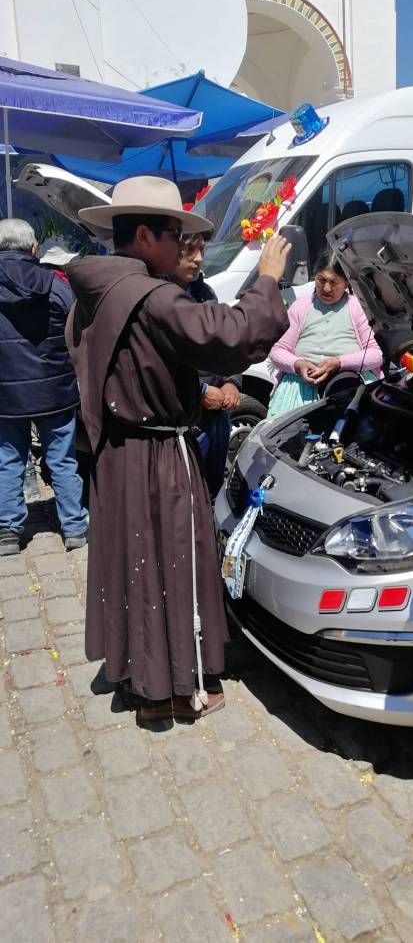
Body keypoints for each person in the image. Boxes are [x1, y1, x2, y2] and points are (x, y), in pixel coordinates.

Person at [65, 176, 290, 724]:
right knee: (170, 561)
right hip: (156, 455)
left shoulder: (96, 290)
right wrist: (266, 279)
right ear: (145, 235)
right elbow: (229, 334)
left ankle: (136, 673)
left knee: (133, 563)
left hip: (118, 453)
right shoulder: (151, 295)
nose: (183, 247)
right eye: (175, 235)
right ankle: (166, 692)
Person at [0, 219, 87, 556]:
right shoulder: (53, 284)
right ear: (34, 248)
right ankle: (74, 527)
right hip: (55, 390)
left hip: (6, 393)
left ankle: (9, 530)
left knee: (8, 460)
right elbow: (77, 326)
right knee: (62, 460)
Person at [267, 247, 382, 417]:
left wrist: (339, 363)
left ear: (347, 282)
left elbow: (376, 354)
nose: (326, 288)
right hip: (299, 389)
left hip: (347, 387)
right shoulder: (301, 306)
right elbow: (277, 350)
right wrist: (298, 365)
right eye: (321, 280)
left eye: (334, 282)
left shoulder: (358, 308)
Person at [171, 230, 240, 499]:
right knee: (184, 497)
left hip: (216, 417)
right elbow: (162, 363)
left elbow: (223, 343)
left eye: (202, 250)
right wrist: (199, 392)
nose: (199, 258)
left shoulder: (204, 292)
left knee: (213, 494)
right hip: (183, 421)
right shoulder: (158, 296)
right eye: (190, 250)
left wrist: (231, 382)